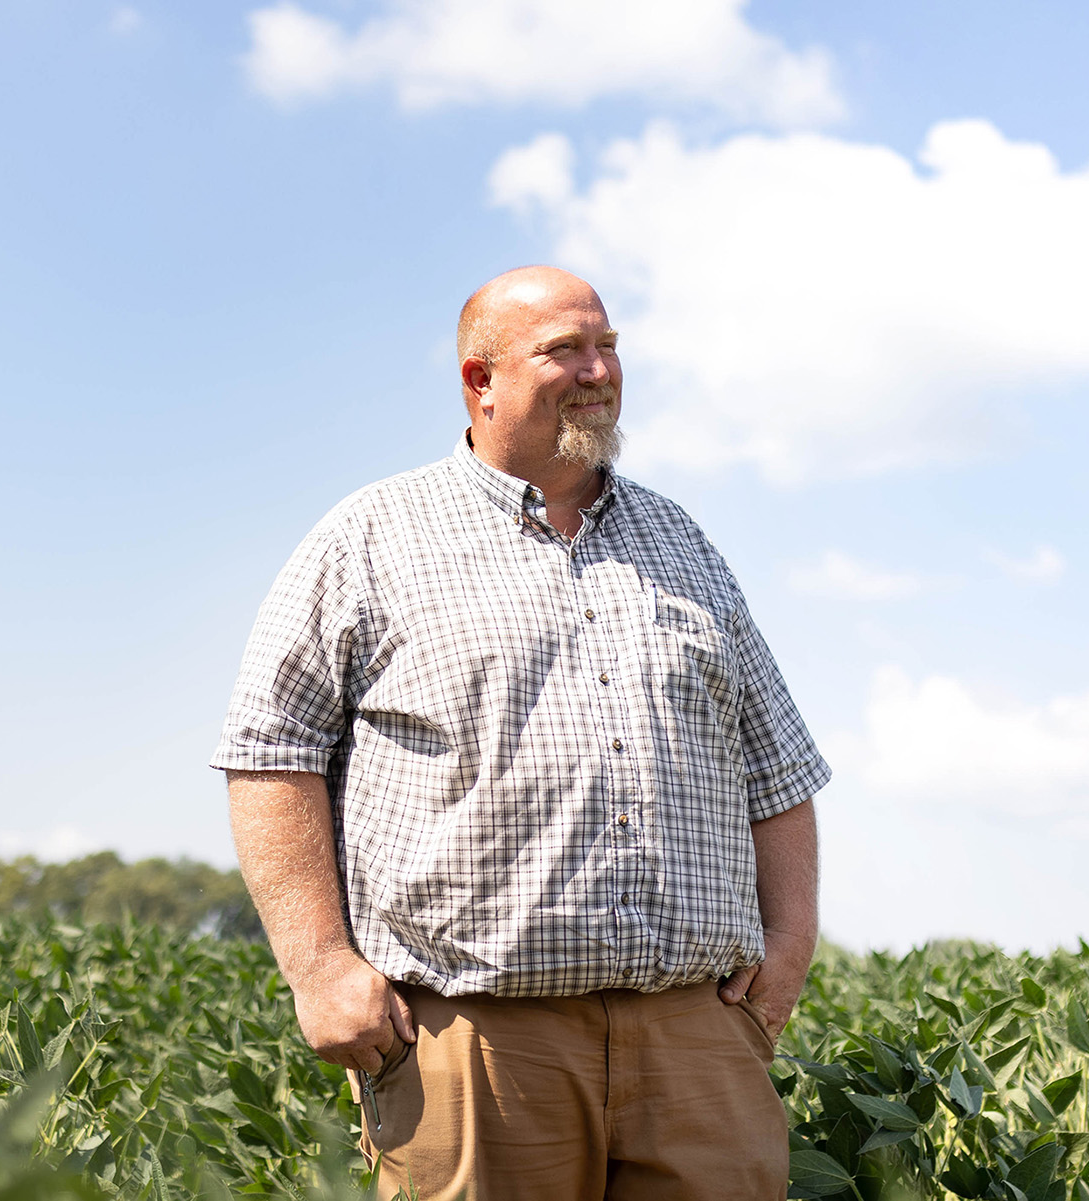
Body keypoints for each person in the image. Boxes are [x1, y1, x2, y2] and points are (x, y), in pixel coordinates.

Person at [211, 265, 829, 1200]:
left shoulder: (683, 542)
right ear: (480, 380)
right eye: (564, 350)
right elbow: (270, 754)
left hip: (695, 1043)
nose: (597, 370)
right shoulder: (371, 535)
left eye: (608, 346)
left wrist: (788, 950)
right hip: (474, 1043)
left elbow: (776, 768)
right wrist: (320, 966)